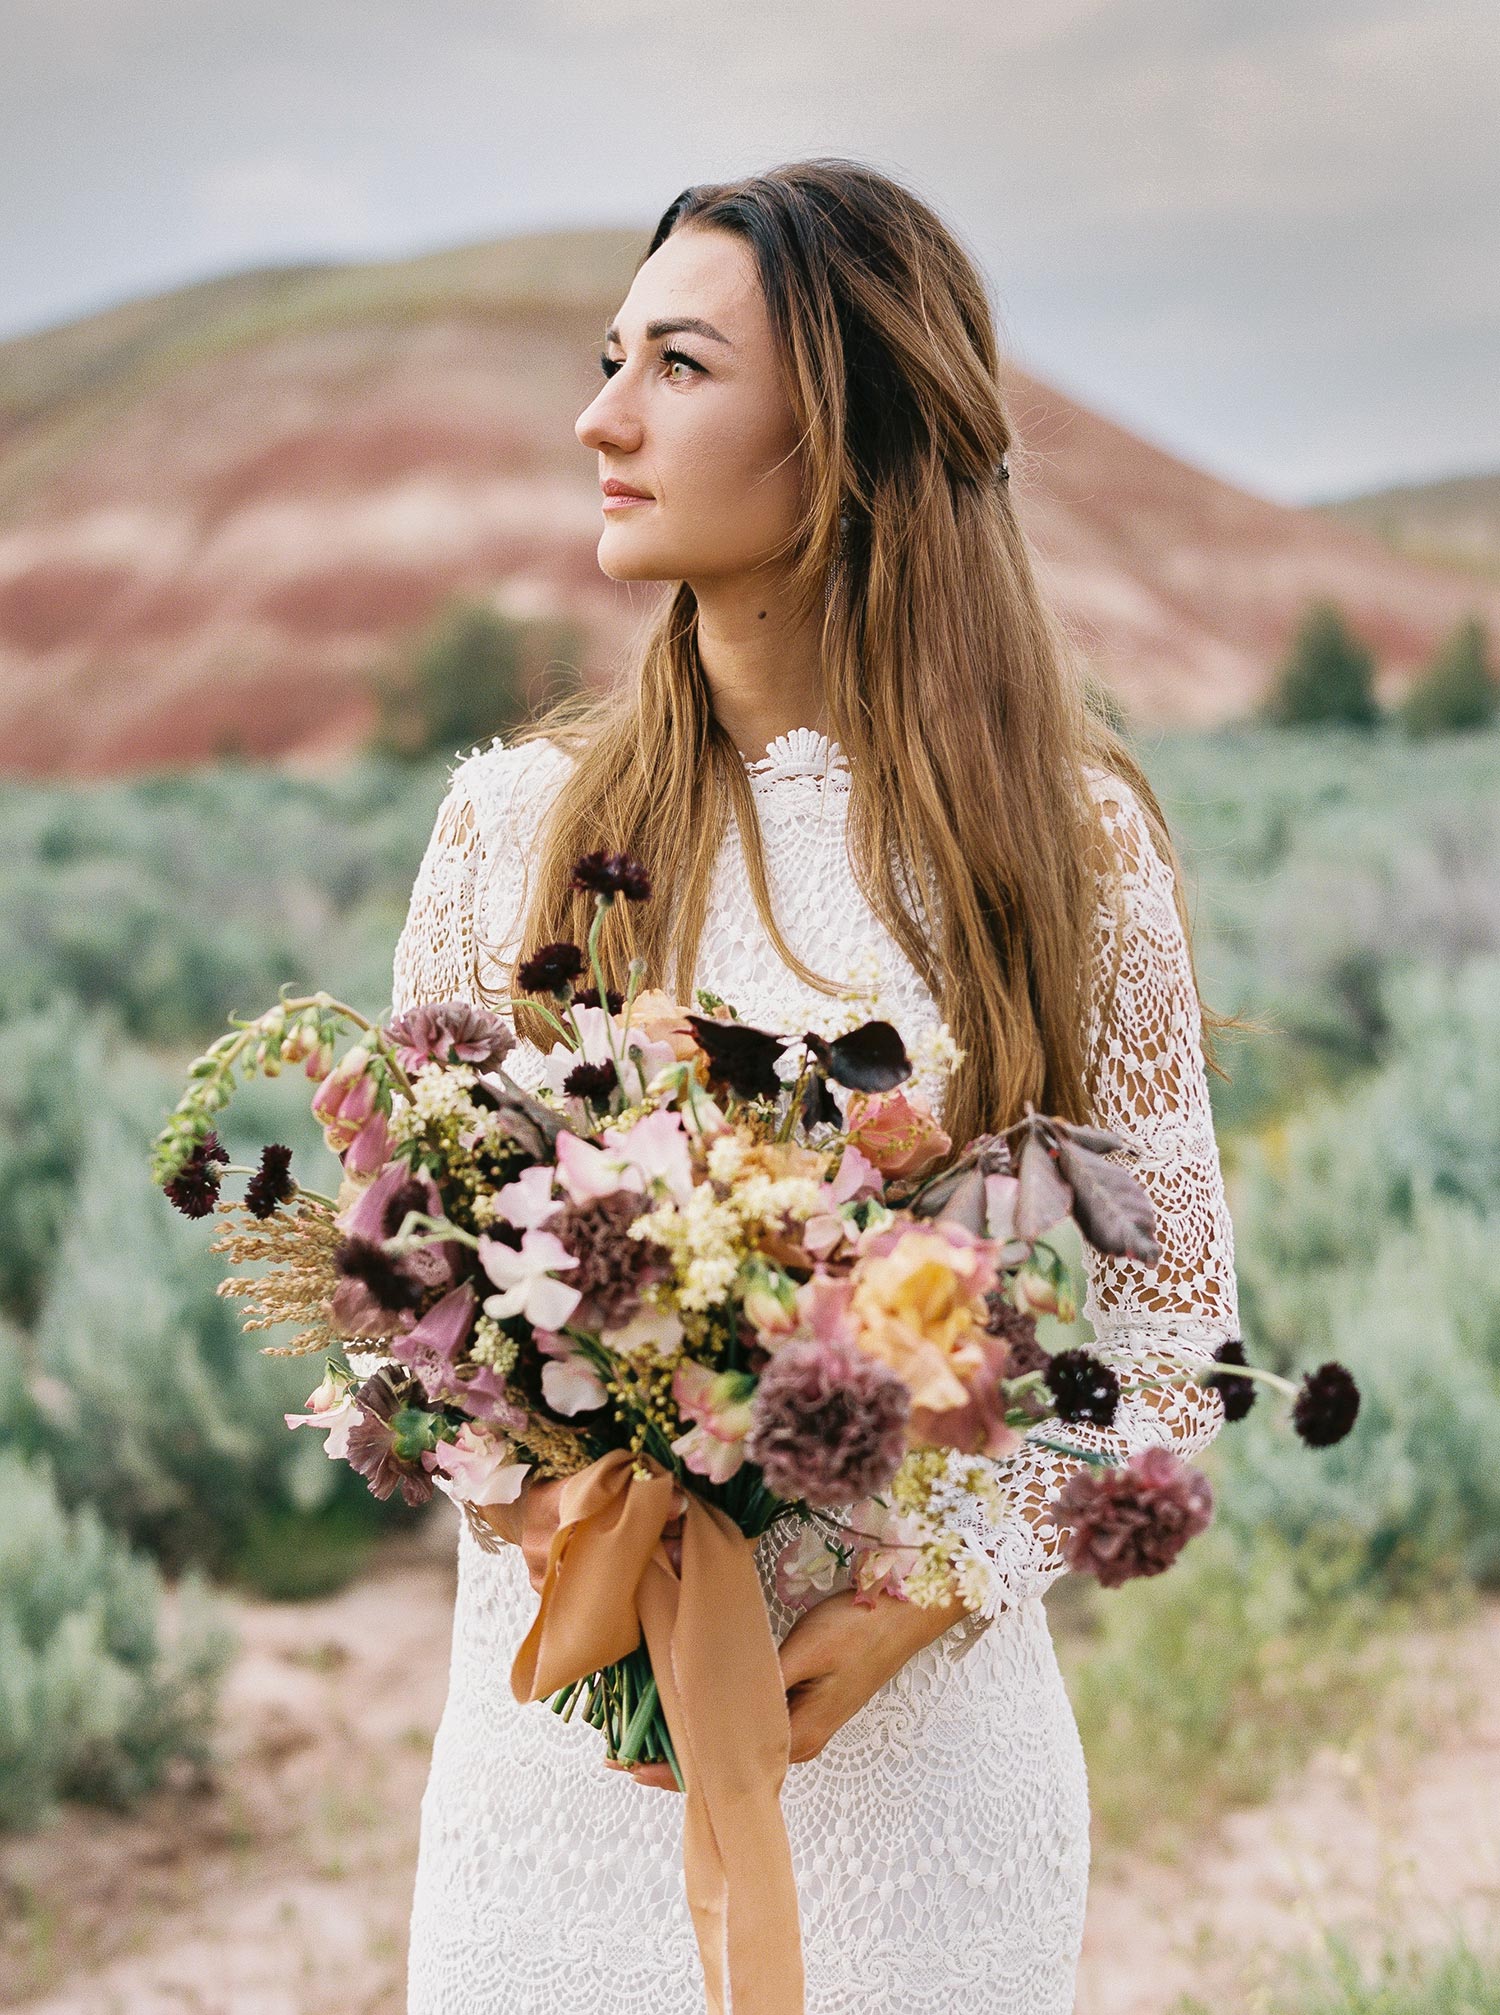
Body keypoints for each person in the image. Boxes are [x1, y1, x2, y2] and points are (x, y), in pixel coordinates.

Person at [395, 158, 1241, 2015]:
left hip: (918, 1797)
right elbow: (404, 1306)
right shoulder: (511, 833)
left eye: (677, 368)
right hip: (559, 1796)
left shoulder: (1066, 855)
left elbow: (1181, 1348)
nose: (599, 418)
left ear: (849, 430)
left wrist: (921, 1593)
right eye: (611, 357)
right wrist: (586, 1524)